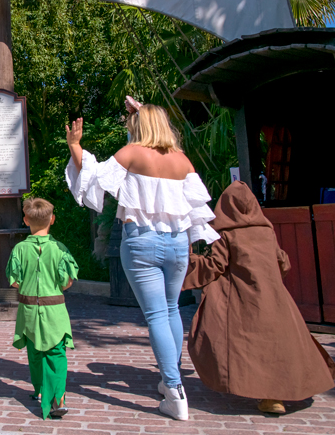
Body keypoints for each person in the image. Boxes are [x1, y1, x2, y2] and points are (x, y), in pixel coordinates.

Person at [65, 104, 220, 421]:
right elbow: (195, 207)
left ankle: (176, 392)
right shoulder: (182, 160)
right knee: (171, 309)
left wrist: (75, 145)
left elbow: (94, 179)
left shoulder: (132, 153)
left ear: (139, 126)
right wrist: (142, 107)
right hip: (178, 243)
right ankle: (169, 378)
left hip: (141, 241)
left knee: (156, 316)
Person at [182, 180, 335, 415]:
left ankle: (265, 395)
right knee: (279, 343)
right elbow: (282, 262)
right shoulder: (266, 230)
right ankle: (279, 393)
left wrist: (187, 260)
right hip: (274, 296)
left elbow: (215, 266)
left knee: (244, 344)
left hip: (241, 299)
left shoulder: (226, 234)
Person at [6, 197, 79, 420]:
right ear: (52, 219)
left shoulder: (19, 249)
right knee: (56, 352)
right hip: (54, 310)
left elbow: (14, 281)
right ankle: (57, 398)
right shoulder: (60, 249)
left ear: (26, 220)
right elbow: (67, 282)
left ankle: (39, 390)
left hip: (28, 309)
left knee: (34, 351)